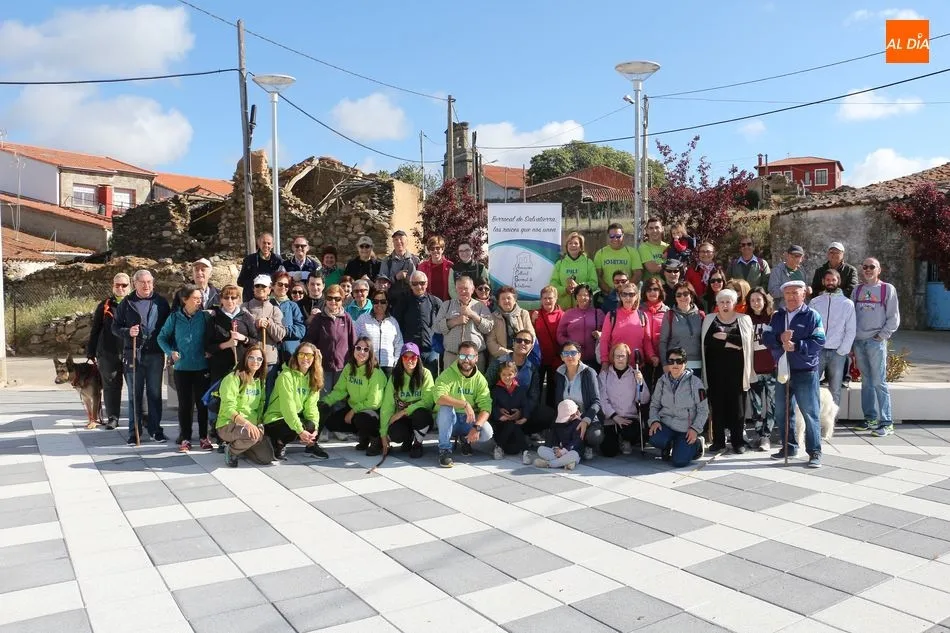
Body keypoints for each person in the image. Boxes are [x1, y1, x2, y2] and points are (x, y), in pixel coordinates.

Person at [763, 280, 825, 468]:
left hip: (805, 371)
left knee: (810, 412)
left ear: (803, 294)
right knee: (782, 411)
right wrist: (778, 339)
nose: (790, 296)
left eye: (795, 293)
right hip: (783, 369)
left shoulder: (812, 315)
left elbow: (820, 341)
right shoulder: (777, 316)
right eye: (787, 293)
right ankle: (789, 446)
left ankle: (815, 451)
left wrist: (797, 346)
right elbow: (766, 337)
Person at [112, 269, 170, 445]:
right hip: (133, 353)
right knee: (134, 395)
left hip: (155, 354)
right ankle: (134, 432)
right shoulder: (127, 303)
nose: (146, 286)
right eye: (143, 282)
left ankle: (155, 430)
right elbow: (115, 327)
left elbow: (168, 327)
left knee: (154, 394)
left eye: (149, 282)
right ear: (135, 283)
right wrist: (128, 331)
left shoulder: (160, 302)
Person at [159, 284, 212, 452]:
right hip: (181, 369)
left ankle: (204, 437)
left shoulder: (205, 317)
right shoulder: (174, 318)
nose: (199, 301)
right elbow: (162, 338)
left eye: (200, 298)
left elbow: (214, 335)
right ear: (184, 300)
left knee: (202, 404)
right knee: (185, 405)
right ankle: (186, 439)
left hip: (202, 367)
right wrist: (170, 352)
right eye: (195, 298)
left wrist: (210, 351)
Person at [850, 258, 900, 436]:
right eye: (865, 267)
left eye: (872, 267)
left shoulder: (887, 289)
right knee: (867, 381)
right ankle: (870, 418)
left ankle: (886, 422)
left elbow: (893, 317)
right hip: (859, 341)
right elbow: (851, 315)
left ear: (879, 270)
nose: (868, 270)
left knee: (879, 381)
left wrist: (881, 336)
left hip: (875, 341)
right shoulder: (857, 290)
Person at [701, 288, 755, 453]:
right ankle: (718, 441)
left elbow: (745, 343)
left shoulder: (744, 319)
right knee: (717, 406)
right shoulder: (710, 320)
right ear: (717, 304)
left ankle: (738, 441)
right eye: (722, 302)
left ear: (734, 303)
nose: (725, 305)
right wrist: (732, 343)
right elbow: (708, 342)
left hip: (737, 372)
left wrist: (725, 337)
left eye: (728, 302)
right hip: (715, 372)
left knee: (737, 407)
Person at [485, 329, 549, 457]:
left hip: (521, 412)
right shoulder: (499, 363)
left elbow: (534, 396)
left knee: (548, 414)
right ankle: (504, 438)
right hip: (501, 414)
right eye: (519, 340)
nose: (522, 343)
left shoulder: (532, 368)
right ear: (513, 343)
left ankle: (524, 433)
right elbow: (485, 389)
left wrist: (522, 413)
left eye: (527, 341)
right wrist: (496, 409)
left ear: (531, 346)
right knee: (512, 449)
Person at [321, 336, 387, 455]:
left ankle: (376, 440)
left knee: (361, 418)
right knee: (331, 422)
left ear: (370, 352)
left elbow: (374, 402)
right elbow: (340, 390)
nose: (361, 352)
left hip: (372, 412)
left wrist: (353, 411)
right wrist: (326, 401)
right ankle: (363, 436)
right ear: (354, 349)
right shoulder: (349, 367)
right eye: (358, 348)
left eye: (366, 349)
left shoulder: (376, 373)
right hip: (355, 409)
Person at [433, 340, 495, 468]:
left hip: (468, 421)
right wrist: (465, 404)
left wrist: (477, 426)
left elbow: (486, 406)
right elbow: (438, 397)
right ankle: (444, 450)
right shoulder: (447, 374)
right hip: (450, 420)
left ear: (476, 358)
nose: (466, 360)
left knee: (487, 432)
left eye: (470, 356)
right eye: (462, 356)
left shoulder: (480, 379)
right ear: (457, 357)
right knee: (445, 407)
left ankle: (465, 439)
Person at [261, 343, 328, 460]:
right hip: (275, 419)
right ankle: (279, 443)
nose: (305, 358)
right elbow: (288, 408)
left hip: (294, 416)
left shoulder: (314, 377)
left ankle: (311, 444)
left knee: (317, 416)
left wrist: (314, 429)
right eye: (301, 354)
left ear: (314, 358)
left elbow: (311, 407)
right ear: (296, 356)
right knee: (298, 426)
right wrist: (300, 431)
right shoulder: (286, 376)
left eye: (309, 355)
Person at [647, 347, 708, 467]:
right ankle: (669, 445)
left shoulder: (696, 383)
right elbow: (654, 405)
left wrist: (695, 429)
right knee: (654, 437)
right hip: (666, 424)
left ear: (685, 363)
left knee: (680, 462)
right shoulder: (662, 381)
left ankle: (696, 444)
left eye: (679, 361)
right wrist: (654, 420)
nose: (675, 364)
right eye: (671, 361)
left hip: (686, 429)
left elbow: (703, 410)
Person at [216, 345, 275, 467]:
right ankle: (231, 450)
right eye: (251, 357)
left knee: (266, 458)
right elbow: (228, 409)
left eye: (259, 359)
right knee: (250, 435)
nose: (255, 361)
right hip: (229, 425)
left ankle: (242, 446)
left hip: (250, 426)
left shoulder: (259, 381)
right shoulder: (233, 378)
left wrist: (259, 424)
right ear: (245, 359)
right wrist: (247, 424)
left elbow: (260, 406)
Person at [86, 273, 130, 430]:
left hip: (130, 352)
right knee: (111, 385)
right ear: (113, 286)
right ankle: (113, 417)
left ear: (129, 286)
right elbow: (96, 329)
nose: (120, 288)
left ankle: (141, 418)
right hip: (108, 351)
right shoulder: (104, 305)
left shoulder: (134, 303)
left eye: (124, 285)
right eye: (117, 285)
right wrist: (91, 351)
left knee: (136, 385)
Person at [380, 343, 434, 458]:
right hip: (403, 419)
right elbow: (387, 405)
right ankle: (408, 438)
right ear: (401, 359)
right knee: (396, 434)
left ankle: (418, 444)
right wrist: (383, 435)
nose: (409, 360)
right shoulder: (395, 377)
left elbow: (428, 401)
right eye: (406, 357)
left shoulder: (425, 374)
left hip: (419, 416)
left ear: (418, 358)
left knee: (421, 414)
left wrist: (403, 412)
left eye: (413, 357)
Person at [811, 269, 856, 407]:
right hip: (818, 352)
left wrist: (842, 350)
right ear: (823, 281)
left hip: (837, 353)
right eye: (828, 280)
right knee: (812, 387)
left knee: (835, 389)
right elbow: (809, 326)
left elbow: (850, 329)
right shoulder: (815, 302)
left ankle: (831, 423)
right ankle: (813, 420)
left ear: (839, 281)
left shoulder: (847, 304)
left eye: (833, 280)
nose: (830, 283)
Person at [302, 284, 357, 396]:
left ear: (342, 300)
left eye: (337, 299)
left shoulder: (347, 318)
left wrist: (353, 364)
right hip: (323, 367)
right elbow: (309, 342)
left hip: (342, 367)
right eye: (330, 298)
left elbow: (353, 342)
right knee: (323, 398)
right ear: (325, 300)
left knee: (339, 399)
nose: (333, 301)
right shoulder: (318, 318)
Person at [554, 340, 603, 459]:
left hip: (586, 416)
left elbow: (596, 402)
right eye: (566, 353)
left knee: (594, 436)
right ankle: (568, 448)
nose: (570, 356)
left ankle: (585, 446)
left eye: (573, 352)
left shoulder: (589, 373)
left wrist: (585, 420)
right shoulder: (559, 374)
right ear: (562, 357)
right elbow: (558, 401)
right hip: (567, 418)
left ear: (579, 355)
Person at [600, 343, 650, 457]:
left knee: (631, 433)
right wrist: (614, 416)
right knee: (609, 451)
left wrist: (640, 383)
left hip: (629, 417)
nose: (620, 359)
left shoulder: (635, 374)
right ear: (612, 357)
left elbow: (644, 399)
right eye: (617, 356)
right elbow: (602, 399)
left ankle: (626, 440)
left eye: (623, 356)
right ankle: (616, 439)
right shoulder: (605, 374)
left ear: (628, 357)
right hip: (611, 418)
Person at [242, 275, 287, 398]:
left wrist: (269, 323)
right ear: (253, 288)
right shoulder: (244, 307)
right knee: (249, 393)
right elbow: (242, 331)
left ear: (269, 289)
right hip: (249, 358)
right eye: (257, 285)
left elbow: (280, 335)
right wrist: (255, 324)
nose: (260, 288)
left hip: (269, 360)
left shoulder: (275, 310)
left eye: (263, 286)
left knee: (268, 393)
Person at [435, 276, 494, 369]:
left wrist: (472, 315)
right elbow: (437, 327)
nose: (462, 291)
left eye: (466, 288)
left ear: (472, 289)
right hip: (452, 357)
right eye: (460, 288)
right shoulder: (447, 305)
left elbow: (488, 328)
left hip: (474, 358)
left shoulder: (481, 306)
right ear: (456, 289)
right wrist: (455, 321)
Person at [205, 284, 259, 385]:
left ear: (238, 299)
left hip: (242, 365)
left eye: (233, 297)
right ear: (221, 299)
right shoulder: (214, 319)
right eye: (226, 297)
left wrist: (244, 338)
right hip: (220, 367)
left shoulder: (246, 317)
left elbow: (255, 341)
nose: (230, 301)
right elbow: (208, 347)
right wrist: (227, 344)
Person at [393, 270, 443, 376]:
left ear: (427, 283)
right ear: (410, 285)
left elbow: (443, 324)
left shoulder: (435, 302)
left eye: (422, 283)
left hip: (431, 349)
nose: (419, 286)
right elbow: (396, 324)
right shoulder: (403, 302)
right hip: (410, 351)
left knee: (431, 381)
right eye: (415, 283)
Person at [747, 287, 777, 452]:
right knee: (756, 405)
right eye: (752, 300)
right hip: (754, 370)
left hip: (772, 369)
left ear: (765, 300)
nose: (756, 303)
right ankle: (758, 434)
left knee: (772, 405)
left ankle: (767, 435)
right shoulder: (746, 319)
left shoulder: (773, 318)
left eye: (758, 299)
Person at [599, 283, 654, 371]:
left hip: (637, 366)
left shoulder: (643, 316)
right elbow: (604, 340)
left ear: (636, 296)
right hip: (617, 366)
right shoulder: (612, 316)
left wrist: (652, 356)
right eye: (624, 294)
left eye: (631, 294)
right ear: (620, 297)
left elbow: (647, 341)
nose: (628, 298)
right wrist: (604, 361)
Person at [490, 360, 534, 462]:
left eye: (510, 374)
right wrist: (500, 415)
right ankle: (500, 447)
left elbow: (525, 405)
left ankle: (525, 452)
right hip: (501, 425)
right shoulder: (496, 390)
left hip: (517, 425)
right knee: (510, 424)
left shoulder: (520, 390)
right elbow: (492, 406)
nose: (507, 377)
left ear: (515, 374)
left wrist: (524, 417)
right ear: (499, 375)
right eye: (504, 374)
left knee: (513, 448)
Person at [660, 281, 704, 378]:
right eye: (678, 295)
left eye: (685, 294)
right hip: (676, 363)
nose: (682, 297)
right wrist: (665, 364)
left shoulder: (701, 315)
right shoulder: (669, 315)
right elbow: (663, 341)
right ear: (675, 298)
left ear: (691, 295)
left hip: (697, 363)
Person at [356, 289, 403, 375]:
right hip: (368, 364)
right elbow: (354, 341)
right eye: (376, 301)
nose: (379, 304)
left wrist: (396, 363)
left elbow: (399, 344)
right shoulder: (363, 319)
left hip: (388, 366)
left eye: (383, 301)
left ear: (387, 303)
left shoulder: (393, 322)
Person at [557, 284, 604, 368]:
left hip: (594, 359)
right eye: (580, 295)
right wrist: (570, 345)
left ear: (590, 297)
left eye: (586, 295)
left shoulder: (598, 313)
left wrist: (600, 334)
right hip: (573, 358)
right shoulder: (568, 313)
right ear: (576, 297)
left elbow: (606, 333)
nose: (583, 298)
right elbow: (560, 335)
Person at [533, 285, 564, 409]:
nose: (547, 301)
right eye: (544, 298)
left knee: (552, 389)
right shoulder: (535, 314)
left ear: (556, 299)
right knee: (536, 388)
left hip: (555, 359)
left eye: (550, 298)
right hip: (539, 359)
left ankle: (551, 416)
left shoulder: (563, 315)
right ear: (541, 299)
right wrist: (532, 320)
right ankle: (534, 415)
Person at [551, 231, 598, 309]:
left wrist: (578, 287)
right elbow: (553, 284)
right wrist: (565, 290)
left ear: (581, 246)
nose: (573, 245)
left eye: (576, 243)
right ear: (566, 246)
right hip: (563, 309)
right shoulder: (560, 263)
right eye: (570, 243)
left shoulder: (588, 263)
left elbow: (594, 284)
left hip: (583, 308)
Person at [487, 286, 536, 360]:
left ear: (515, 300)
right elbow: (491, 342)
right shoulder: (493, 317)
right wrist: (509, 354)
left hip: (522, 357)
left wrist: (521, 354)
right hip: (500, 358)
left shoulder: (523, 314)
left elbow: (531, 336)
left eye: (509, 298)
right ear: (499, 302)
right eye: (503, 298)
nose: (506, 301)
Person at [593, 222, 642, 295]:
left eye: (618, 236)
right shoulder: (600, 253)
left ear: (623, 236)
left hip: (628, 295)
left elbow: (637, 274)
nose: (615, 239)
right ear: (608, 236)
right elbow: (597, 276)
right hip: (608, 295)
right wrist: (610, 291)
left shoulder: (632, 252)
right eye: (612, 236)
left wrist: (626, 290)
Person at [534, 400, 583, 470]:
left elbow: (576, 442)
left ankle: (549, 464)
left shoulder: (578, 423)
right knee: (540, 449)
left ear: (572, 415)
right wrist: (556, 448)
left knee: (574, 455)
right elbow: (555, 437)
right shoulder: (558, 423)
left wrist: (564, 451)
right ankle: (566, 463)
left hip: (572, 451)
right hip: (560, 451)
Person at [237, 233, 284, 302]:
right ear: (259, 243)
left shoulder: (277, 260)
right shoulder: (249, 260)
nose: (266, 245)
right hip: (251, 298)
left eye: (269, 243)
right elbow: (241, 281)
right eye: (264, 243)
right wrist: (258, 285)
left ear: (273, 245)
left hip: (271, 298)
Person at [271, 272, 306, 364]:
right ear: (273, 285)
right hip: (271, 352)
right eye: (280, 284)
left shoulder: (293, 306)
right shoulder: (267, 305)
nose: (283, 287)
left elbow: (301, 330)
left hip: (290, 352)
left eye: (286, 285)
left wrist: (283, 331)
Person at [641, 278, 668, 390]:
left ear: (660, 291)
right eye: (649, 289)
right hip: (643, 360)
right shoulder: (639, 310)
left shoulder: (667, 311)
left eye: (655, 289)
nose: (652, 292)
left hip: (662, 359)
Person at [378, 229, 420, 301]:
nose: (398, 242)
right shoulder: (386, 261)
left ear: (407, 242)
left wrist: (409, 279)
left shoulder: (415, 260)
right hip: (392, 300)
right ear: (393, 243)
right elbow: (382, 284)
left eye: (401, 239)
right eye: (396, 239)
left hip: (411, 300)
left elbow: (420, 281)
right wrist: (396, 277)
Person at [417, 235, 453, 301]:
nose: (435, 251)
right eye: (432, 249)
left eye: (438, 248)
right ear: (429, 251)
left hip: (446, 303)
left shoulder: (450, 266)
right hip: (429, 303)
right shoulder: (422, 266)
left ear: (442, 249)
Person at [638, 217, 669, 281]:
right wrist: (672, 268)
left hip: (669, 286)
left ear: (662, 229)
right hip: (651, 288)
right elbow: (653, 269)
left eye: (657, 227)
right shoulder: (643, 247)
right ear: (647, 230)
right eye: (651, 228)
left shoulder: (668, 247)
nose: (654, 231)